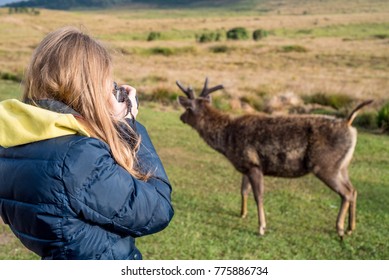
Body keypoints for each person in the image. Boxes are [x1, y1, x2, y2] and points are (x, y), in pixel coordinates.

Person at [0, 26, 174, 260]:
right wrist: (128, 125)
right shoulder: (78, 157)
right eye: (107, 83)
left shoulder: (13, 141)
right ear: (91, 87)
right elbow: (157, 209)